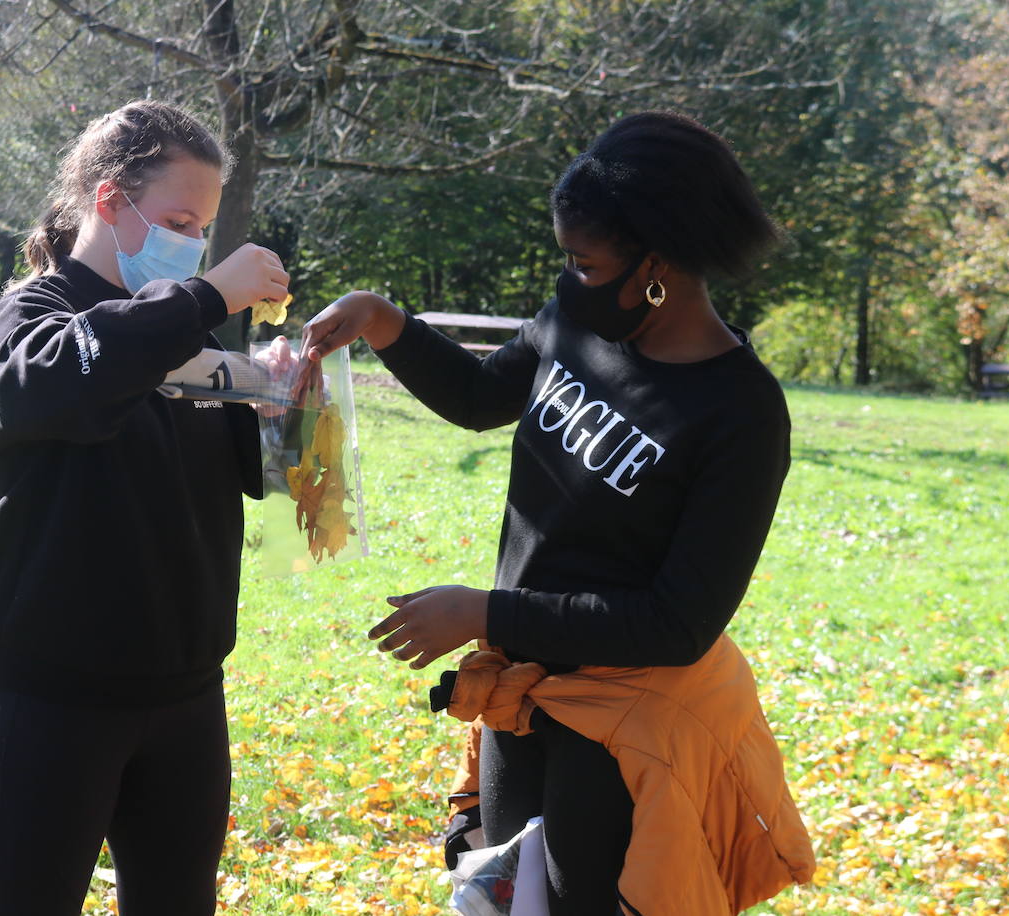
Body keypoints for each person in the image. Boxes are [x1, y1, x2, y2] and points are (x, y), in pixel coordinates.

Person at [302, 111, 802, 914]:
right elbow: (478, 397)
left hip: (624, 722)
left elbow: (679, 623)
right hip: (524, 686)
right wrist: (380, 317)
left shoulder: (740, 412)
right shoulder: (579, 319)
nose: (569, 279)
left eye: (584, 261)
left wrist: (486, 610)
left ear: (658, 264)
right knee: (505, 895)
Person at [0, 100, 290, 916]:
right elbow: (68, 379)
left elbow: (243, 479)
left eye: (202, 228)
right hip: (48, 697)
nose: (191, 243)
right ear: (109, 201)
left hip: (183, 692)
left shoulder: (191, 338)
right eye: (179, 219)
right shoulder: (30, 316)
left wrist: (283, 402)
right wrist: (209, 295)